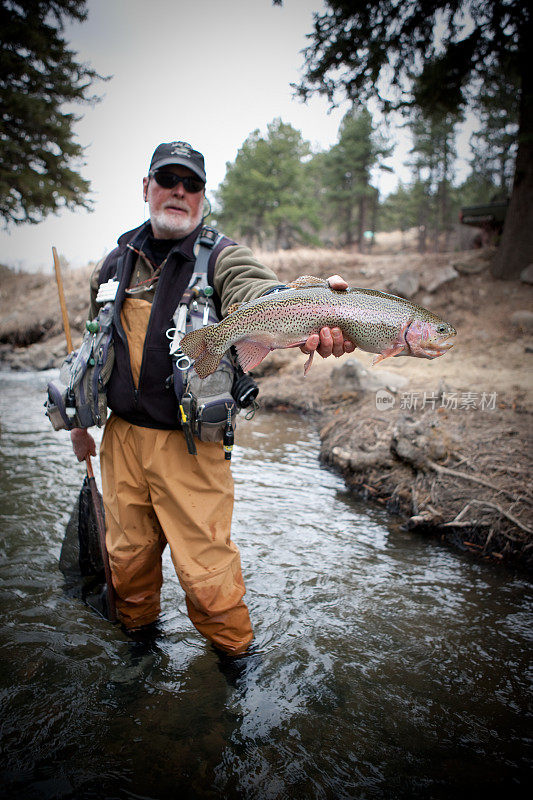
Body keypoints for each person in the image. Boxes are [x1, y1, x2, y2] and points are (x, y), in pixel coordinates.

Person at [71, 141, 354, 656]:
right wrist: (77, 426)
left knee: (209, 578)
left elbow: (257, 292)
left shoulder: (225, 258)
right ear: (146, 187)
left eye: (192, 183)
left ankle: (235, 674)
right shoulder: (113, 263)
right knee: (127, 563)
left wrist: (308, 308)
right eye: (167, 179)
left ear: (202, 196)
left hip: (191, 447)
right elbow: (92, 349)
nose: (179, 191)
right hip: (119, 442)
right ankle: (139, 652)